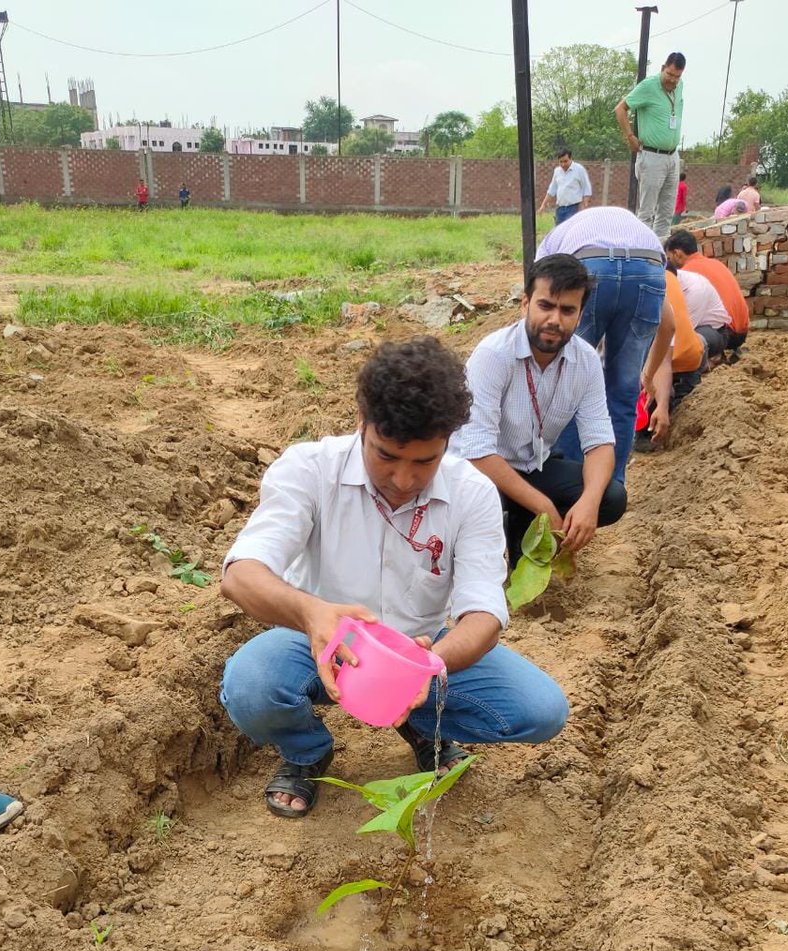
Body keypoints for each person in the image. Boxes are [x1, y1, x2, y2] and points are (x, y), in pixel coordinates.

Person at [219, 337, 569, 818]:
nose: (403, 480)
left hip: (420, 648)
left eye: (424, 462)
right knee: (251, 683)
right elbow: (242, 574)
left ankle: (424, 726)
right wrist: (311, 611)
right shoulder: (308, 470)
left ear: (448, 440)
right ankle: (306, 751)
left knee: (540, 709)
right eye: (386, 455)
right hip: (319, 644)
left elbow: (484, 612)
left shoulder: (473, 494)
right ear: (362, 420)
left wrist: (429, 666)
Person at [449, 254, 626, 565]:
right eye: (546, 305)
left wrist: (589, 502)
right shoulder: (494, 355)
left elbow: (599, 441)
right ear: (525, 303)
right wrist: (544, 506)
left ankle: (521, 527)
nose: (554, 320)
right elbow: (476, 451)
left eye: (567, 310)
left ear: (580, 313)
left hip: (534, 465)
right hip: (479, 472)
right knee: (469, 501)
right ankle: (506, 529)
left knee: (611, 498)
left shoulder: (585, 361)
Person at [534, 205, 675, 483]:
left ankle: (569, 484)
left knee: (568, 383)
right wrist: (645, 377)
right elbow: (668, 325)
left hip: (590, 265)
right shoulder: (639, 236)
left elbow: (537, 308)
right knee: (623, 393)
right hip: (647, 267)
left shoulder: (553, 242)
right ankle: (611, 488)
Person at [634, 264, 706, 453]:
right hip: (693, 356)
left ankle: (644, 430)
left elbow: (661, 359)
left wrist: (661, 403)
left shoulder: (654, 296)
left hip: (670, 358)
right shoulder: (664, 286)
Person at [615, 52, 686, 239]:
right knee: (647, 212)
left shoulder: (680, 87)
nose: (672, 80)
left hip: (672, 156)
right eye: (669, 74)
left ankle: (659, 257)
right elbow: (620, 109)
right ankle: (641, 253)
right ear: (663, 68)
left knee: (666, 214)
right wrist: (630, 136)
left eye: (677, 76)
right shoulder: (649, 86)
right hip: (652, 155)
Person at [664, 228, 749, 352]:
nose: (670, 263)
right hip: (742, 332)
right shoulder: (716, 263)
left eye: (669, 258)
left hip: (723, 332)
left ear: (677, 254)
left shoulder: (687, 275)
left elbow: (683, 324)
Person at [676, 267, 732, 361]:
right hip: (688, 327)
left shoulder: (695, 290)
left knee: (691, 344)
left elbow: (682, 333)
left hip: (714, 332)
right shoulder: (673, 279)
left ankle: (705, 364)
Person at [537, 148, 592, 226]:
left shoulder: (579, 169)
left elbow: (586, 188)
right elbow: (552, 189)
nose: (563, 164)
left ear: (570, 159)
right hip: (560, 209)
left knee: (570, 231)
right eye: (561, 162)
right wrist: (543, 205)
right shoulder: (557, 171)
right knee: (559, 231)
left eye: (565, 161)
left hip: (574, 208)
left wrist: (585, 206)